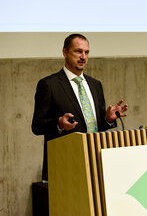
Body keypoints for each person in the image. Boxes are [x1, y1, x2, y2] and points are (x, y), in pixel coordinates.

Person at [32, 34, 128, 181]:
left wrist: (108, 119)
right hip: (66, 166)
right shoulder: (49, 85)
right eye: (78, 51)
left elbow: (96, 126)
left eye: (86, 52)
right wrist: (59, 123)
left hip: (96, 163)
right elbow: (37, 126)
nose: (83, 56)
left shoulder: (95, 85)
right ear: (65, 52)